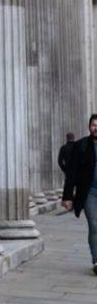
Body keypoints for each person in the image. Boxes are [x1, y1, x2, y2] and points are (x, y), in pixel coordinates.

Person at [62, 115, 97, 276]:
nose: (96, 127)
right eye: (93, 125)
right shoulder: (81, 146)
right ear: (89, 127)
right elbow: (71, 173)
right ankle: (96, 260)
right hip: (89, 192)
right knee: (94, 225)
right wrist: (67, 196)